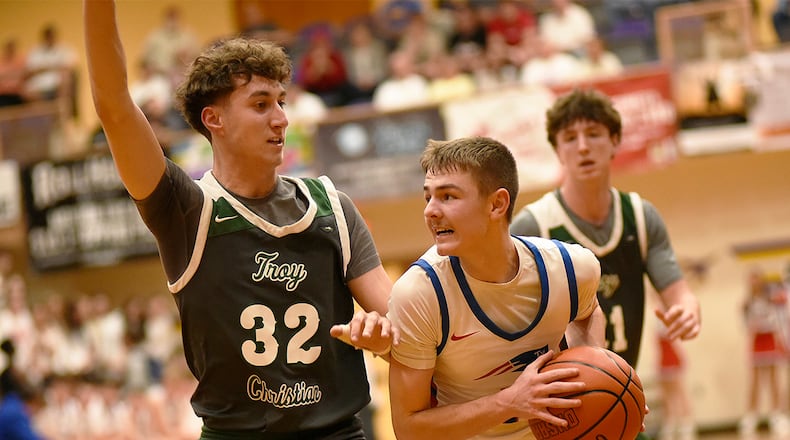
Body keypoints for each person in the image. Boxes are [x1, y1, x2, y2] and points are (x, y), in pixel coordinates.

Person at [84, 1, 398, 438]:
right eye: (261, 104)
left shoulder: (331, 206)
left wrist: (385, 336)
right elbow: (115, 107)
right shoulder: (186, 212)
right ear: (214, 120)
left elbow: (400, 321)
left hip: (338, 431)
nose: (281, 118)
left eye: (282, 102)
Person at [387, 136, 606, 439]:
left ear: (497, 204)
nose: (430, 211)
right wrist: (510, 402)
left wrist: (601, 381)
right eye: (428, 198)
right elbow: (408, 428)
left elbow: (589, 312)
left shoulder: (572, 269)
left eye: (448, 196)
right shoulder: (419, 294)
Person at [510, 88, 701, 372]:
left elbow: (680, 295)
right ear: (558, 151)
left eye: (594, 134)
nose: (583, 147)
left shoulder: (640, 217)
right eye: (570, 138)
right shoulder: (534, 226)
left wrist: (687, 311)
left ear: (615, 141)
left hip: (620, 389)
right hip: (560, 393)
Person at [739, 268, 790, 438]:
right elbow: (745, 325)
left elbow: (779, 320)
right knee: (755, 382)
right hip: (756, 343)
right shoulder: (746, 303)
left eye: (756, 279)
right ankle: (751, 416)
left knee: (774, 380)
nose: (754, 283)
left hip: (770, 341)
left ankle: (776, 415)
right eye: (751, 280)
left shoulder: (772, 300)